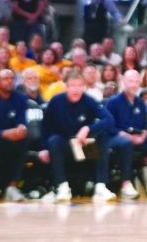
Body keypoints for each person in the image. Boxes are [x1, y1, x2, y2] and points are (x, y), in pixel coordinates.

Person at [39, 71, 116, 202]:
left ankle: (100, 187)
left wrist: (88, 128)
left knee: (103, 136)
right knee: (54, 140)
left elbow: (109, 120)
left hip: (84, 146)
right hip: (65, 146)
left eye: (80, 86)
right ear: (66, 86)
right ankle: (62, 187)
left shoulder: (89, 100)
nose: (76, 89)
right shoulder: (56, 101)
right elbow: (45, 125)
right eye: (73, 86)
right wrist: (44, 147)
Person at [106, 69, 147, 199]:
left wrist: (143, 136)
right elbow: (108, 126)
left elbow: (144, 126)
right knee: (126, 143)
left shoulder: (141, 103)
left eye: (136, 81)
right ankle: (126, 183)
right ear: (124, 82)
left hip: (137, 137)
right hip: (115, 137)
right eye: (130, 81)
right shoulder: (113, 101)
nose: (133, 84)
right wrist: (127, 136)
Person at [0, 69, 29, 201]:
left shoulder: (21, 97)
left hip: (12, 138)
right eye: (6, 79)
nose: (10, 81)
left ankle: (12, 187)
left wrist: (21, 129)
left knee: (24, 139)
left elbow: (22, 121)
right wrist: (3, 133)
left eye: (11, 78)